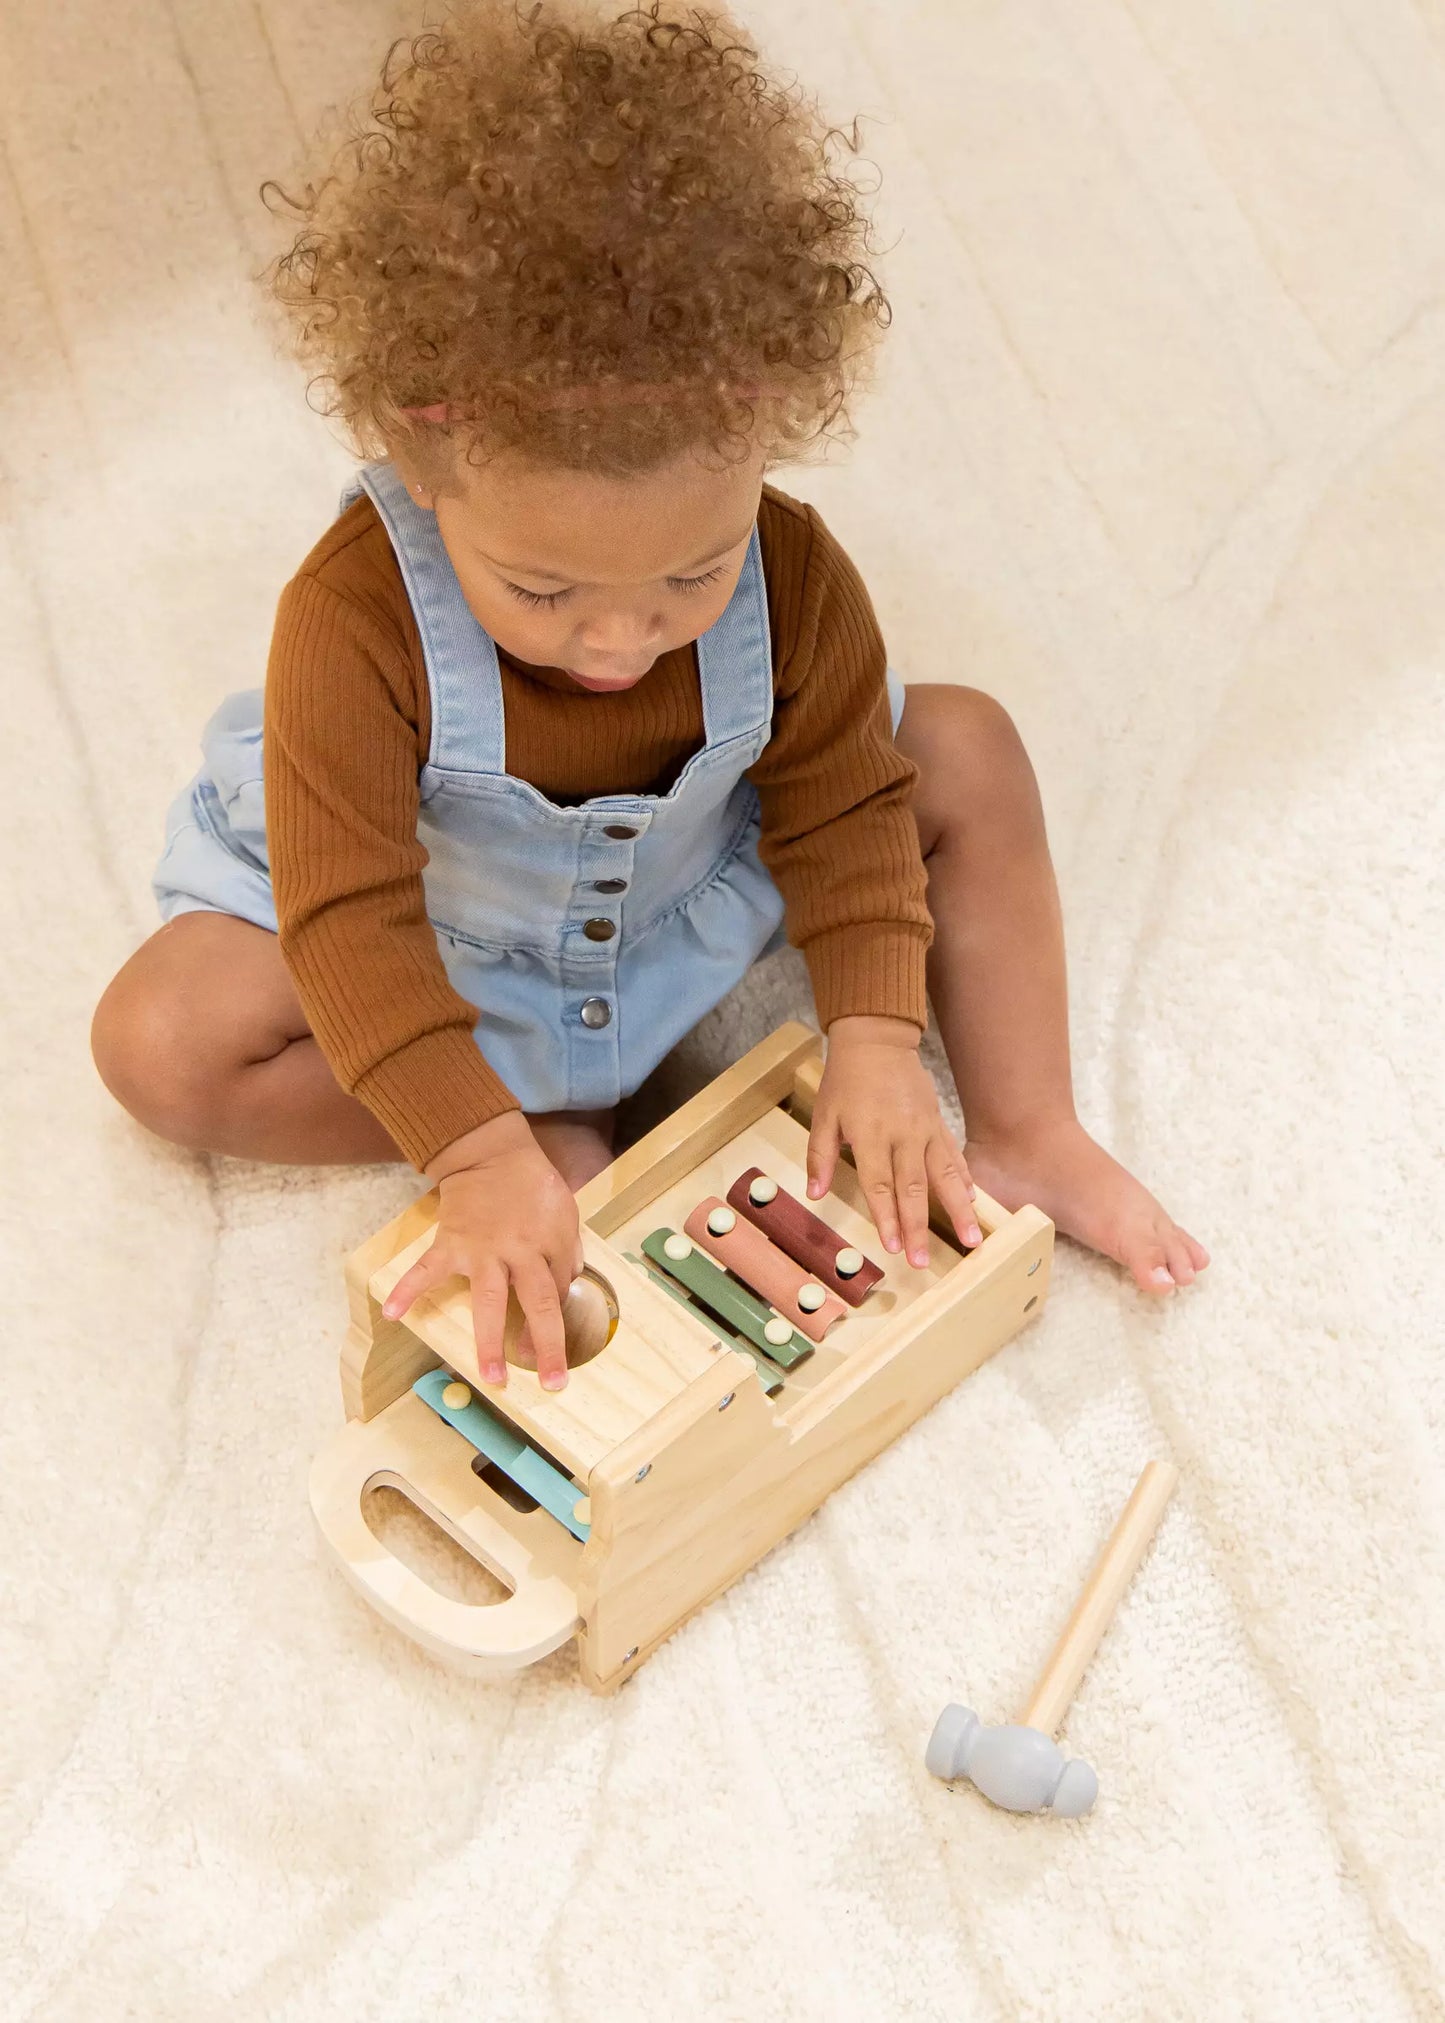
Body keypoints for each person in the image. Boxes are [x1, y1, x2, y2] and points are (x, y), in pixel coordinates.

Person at [91, 0, 1207, 1391]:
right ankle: (551, 1119)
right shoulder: (346, 619)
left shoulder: (795, 574)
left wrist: (871, 1035)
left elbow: (845, 800)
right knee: (159, 1044)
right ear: (422, 455)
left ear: (760, 439)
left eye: (692, 570)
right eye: (545, 591)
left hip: (678, 888)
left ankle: (1031, 1122)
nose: (621, 636)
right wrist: (475, 1147)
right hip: (444, 931)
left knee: (965, 745)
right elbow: (350, 916)